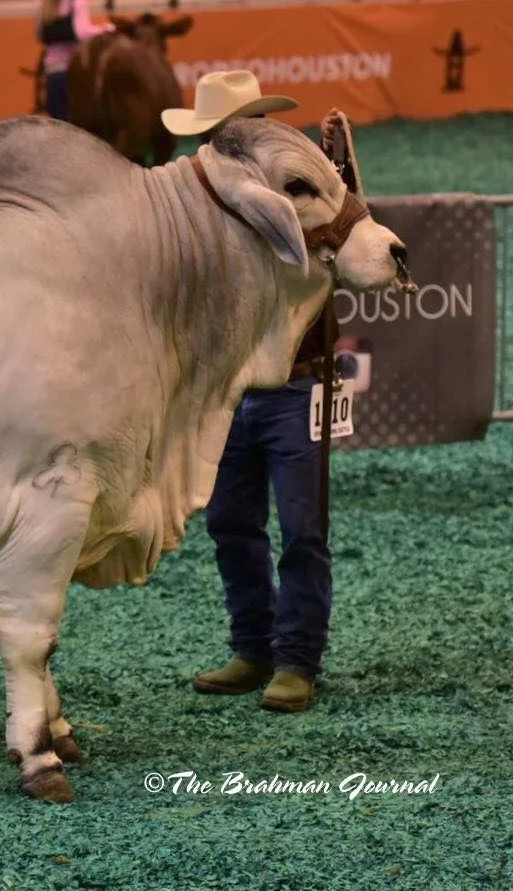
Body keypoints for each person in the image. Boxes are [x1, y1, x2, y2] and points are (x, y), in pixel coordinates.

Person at [161, 69, 350, 713]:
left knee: (301, 527)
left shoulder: (305, 188)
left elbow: (351, 233)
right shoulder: (198, 199)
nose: (225, 143)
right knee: (231, 522)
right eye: (219, 136)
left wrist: (343, 168)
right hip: (233, 387)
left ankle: (295, 659)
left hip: (298, 382)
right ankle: (255, 647)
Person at [35, 0, 111, 122]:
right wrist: (106, 29)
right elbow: (81, 32)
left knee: (59, 126)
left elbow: (39, 35)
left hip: (53, 73)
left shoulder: (43, 3)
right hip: (74, 73)